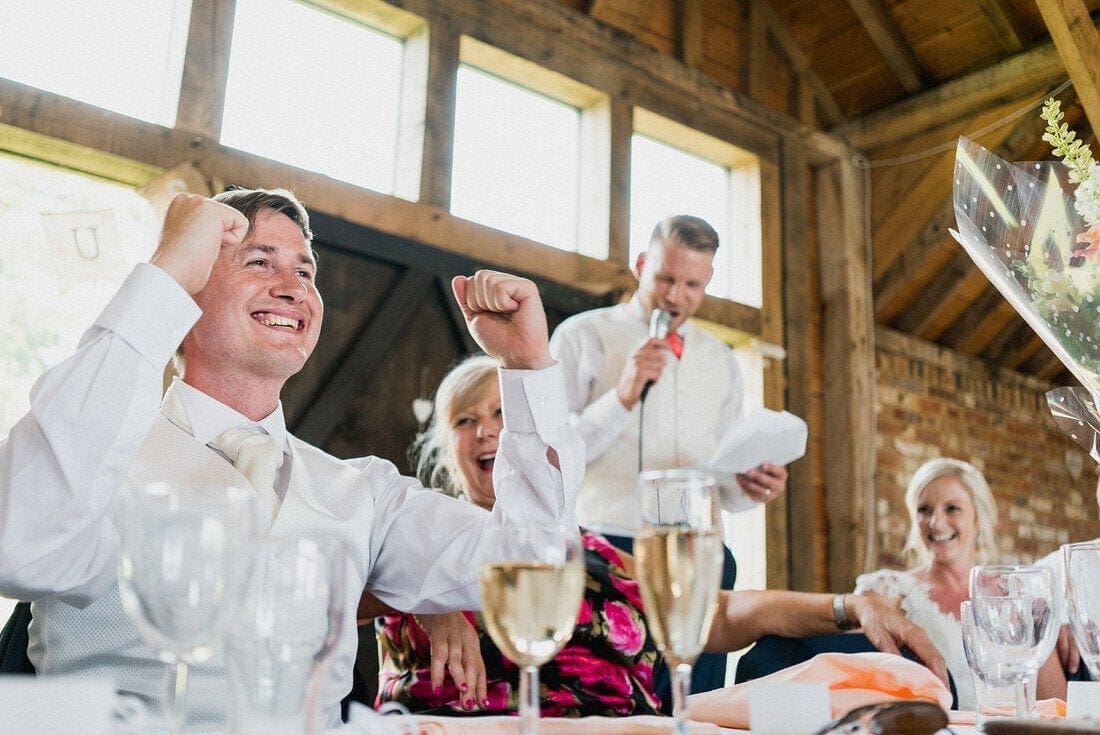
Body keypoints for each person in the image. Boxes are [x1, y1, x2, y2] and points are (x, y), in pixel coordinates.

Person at [0, 190, 583, 728]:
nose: (293, 286)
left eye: (305, 271)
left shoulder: (361, 491)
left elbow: (532, 559)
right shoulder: (95, 461)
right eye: (259, 262)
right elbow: (17, 541)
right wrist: (164, 276)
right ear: (185, 293)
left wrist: (528, 367)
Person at [374, 356, 951, 717]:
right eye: (465, 420)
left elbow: (716, 612)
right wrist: (424, 593)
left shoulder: (591, 550)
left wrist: (849, 605)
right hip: (478, 725)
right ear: (445, 446)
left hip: (648, 723)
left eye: (503, 414)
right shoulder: (409, 537)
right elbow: (326, 581)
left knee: (827, 696)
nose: (488, 432)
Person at [549, 214, 788, 693]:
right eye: (665, 278)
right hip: (604, 545)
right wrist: (622, 394)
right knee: (611, 692)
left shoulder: (721, 359)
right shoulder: (582, 337)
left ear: (708, 282)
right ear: (641, 265)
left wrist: (748, 488)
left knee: (691, 697)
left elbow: (721, 473)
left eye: (692, 284)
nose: (676, 296)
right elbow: (553, 454)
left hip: (697, 548)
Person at [855, 458, 1065, 708]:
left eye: (952, 508)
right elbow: (862, 687)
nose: (936, 523)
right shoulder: (886, 592)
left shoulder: (1020, 595)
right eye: (924, 510)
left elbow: (1057, 705)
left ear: (978, 518)